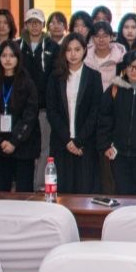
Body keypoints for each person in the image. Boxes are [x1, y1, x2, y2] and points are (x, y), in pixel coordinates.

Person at [96, 50, 136, 195]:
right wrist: (105, 145)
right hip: (119, 155)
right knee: (122, 195)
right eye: (130, 66)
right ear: (124, 69)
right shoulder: (115, 89)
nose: (134, 70)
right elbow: (104, 118)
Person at [46, 33, 102, 194]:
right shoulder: (55, 77)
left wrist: (78, 141)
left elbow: (95, 112)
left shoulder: (94, 76)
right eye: (69, 50)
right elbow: (52, 111)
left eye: (77, 49)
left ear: (84, 50)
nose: (73, 54)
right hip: (61, 143)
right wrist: (68, 140)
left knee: (84, 191)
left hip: (85, 145)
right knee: (62, 192)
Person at [0, 40, 40, 193]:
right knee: (1, 192)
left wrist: (14, 141)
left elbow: (30, 115)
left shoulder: (27, 83)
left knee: (24, 192)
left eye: (12, 56)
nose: (7, 59)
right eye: (4, 55)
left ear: (18, 58)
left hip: (23, 145)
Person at [20, 8, 59, 192]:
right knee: (25, 146)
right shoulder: (17, 46)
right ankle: (25, 186)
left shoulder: (53, 47)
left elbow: (55, 77)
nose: (34, 26)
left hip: (44, 108)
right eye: (31, 22)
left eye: (38, 22)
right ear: (26, 25)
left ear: (43, 25)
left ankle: (41, 185)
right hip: (23, 109)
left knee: (45, 148)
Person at [85, 21, 126, 90]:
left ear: (111, 37)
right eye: (97, 36)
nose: (101, 40)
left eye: (105, 36)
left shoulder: (120, 58)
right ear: (92, 38)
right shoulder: (84, 57)